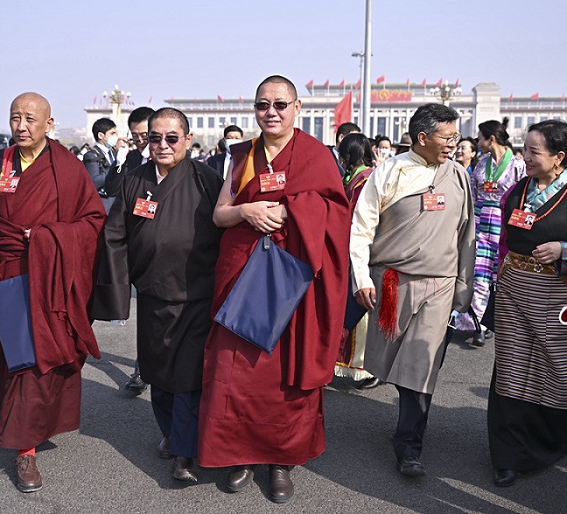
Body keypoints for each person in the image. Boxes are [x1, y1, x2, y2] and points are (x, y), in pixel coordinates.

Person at [198, 75, 350, 503]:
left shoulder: (316, 156)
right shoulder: (242, 156)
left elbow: (337, 214)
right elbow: (219, 215)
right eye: (263, 105)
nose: (272, 112)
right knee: (235, 370)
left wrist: (293, 210)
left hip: (290, 283)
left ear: (297, 108)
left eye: (280, 104)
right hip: (243, 276)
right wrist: (246, 210)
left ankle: (280, 460)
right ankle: (239, 455)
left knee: (284, 375)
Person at [0, 92, 106, 493]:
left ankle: (26, 449)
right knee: (14, 355)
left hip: (50, 276)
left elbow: (92, 221)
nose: (21, 126)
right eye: (15, 117)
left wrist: (52, 237)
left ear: (49, 125)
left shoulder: (66, 168)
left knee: (41, 359)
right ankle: (25, 438)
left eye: (31, 119)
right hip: (6, 273)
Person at [92, 107, 223, 484]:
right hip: (151, 295)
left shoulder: (207, 179)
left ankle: (186, 451)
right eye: (155, 138)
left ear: (187, 139)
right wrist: (117, 293)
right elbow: (114, 236)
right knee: (158, 373)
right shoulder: (133, 181)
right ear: (145, 140)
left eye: (171, 138)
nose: (163, 145)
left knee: (188, 376)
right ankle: (170, 432)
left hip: (196, 295)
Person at [349, 103, 475, 477]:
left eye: (456, 136)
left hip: (440, 284)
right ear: (422, 138)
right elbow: (361, 228)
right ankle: (408, 423)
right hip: (393, 284)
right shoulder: (388, 172)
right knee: (394, 365)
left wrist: (463, 287)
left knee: (421, 365)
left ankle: (409, 445)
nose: (454, 143)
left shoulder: (459, 175)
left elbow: (466, 234)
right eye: (447, 137)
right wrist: (361, 278)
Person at [488, 120, 567, 487]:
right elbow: (503, 241)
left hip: (563, 296)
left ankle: (548, 443)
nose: (526, 157)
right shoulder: (516, 191)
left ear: (559, 157)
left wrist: (566, 250)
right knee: (512, 370)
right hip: (516, 292)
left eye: (534, 152)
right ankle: (507, 455)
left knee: (555, 371)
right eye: (525, 149)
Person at [455, 119, 526, 347]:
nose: (478, 142)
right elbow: (475, 195)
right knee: (479, 273)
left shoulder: (517, 165)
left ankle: (497, 320)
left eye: (480, 137)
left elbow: (522, 198)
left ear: (491, 139)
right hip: (481, 222)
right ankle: (479, 323)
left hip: (504, 224)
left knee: (501, 275)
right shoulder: (481, 163)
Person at [101, 106, 155, 394]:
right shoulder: (132, 157)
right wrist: (120, 160)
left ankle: (149, 369)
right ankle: (143, 370)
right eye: (136, 136)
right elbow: (111, 188)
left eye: (145, 134)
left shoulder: (170, 155)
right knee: (144, 312)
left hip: (164, 248)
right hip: (137, 245)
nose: (141, 141)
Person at [333, 132, 379, 388]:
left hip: (363, 249)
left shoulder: (366, 180)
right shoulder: (355, 178)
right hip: (350, 248)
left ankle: (365, 368)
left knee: (360, 308)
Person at [83, 117, 122, 213]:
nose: (115, 137)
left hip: (116, 203)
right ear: (101, 135)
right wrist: (115, 167)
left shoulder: (113, 152)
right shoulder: (91, 155)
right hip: (103, 205)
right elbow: (95, 181)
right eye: (112, 134)